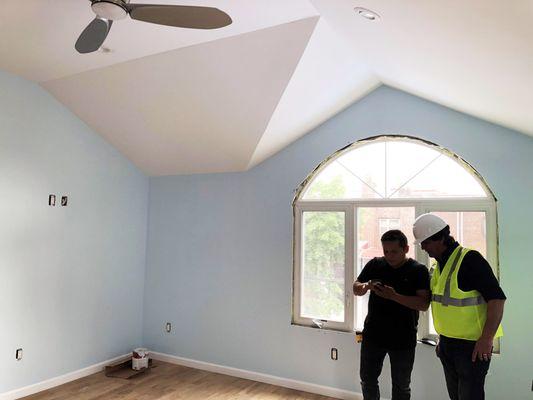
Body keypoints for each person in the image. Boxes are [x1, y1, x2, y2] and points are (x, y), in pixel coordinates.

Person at [413, 214, 506, 400]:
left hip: (473, 347)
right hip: (448, 344)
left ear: (440, 238)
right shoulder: (438, 266)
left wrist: (486, 339)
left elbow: (497, 299)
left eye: (426, 242)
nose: (423, 247)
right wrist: (443, 338)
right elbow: (445, 307)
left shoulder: (470, 260)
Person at [353, 230, 430, 400]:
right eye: (385, 251)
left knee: (401, 386)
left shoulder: (418, 270)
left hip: (403, 338)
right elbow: (355, 287)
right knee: (367, 379)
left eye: (394, 251)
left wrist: (393, 296)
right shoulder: (375, 264)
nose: (389, 256)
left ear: (406, 249)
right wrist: (367, 286)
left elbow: (423, 304)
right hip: (373, 335)